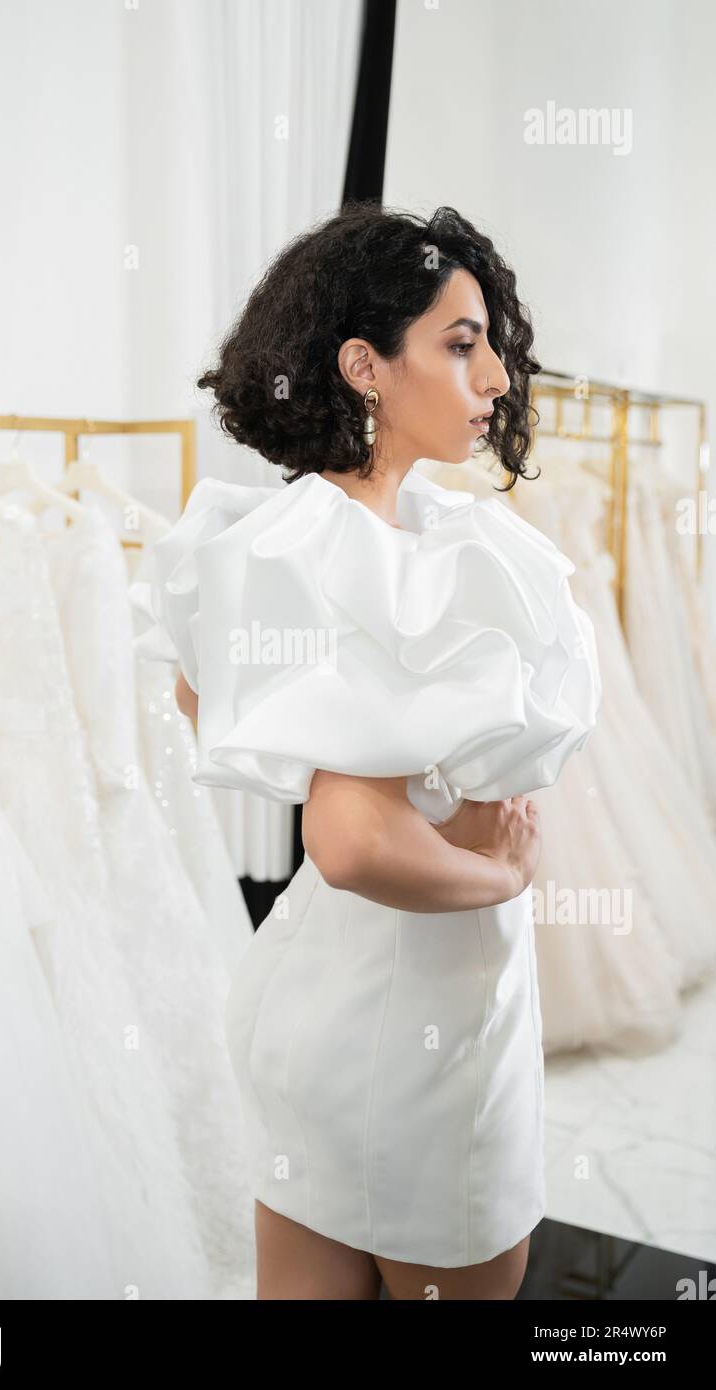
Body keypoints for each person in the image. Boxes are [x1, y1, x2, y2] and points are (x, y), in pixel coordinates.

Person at [141, 201, 602, 1300]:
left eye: (492, 344)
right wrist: (497, 871)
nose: (494, 375)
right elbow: (346, 836)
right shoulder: (379, 560)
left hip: (322, 1011)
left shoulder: (305, 540)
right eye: (458, 343)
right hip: (425, 1041)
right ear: (363, 367)